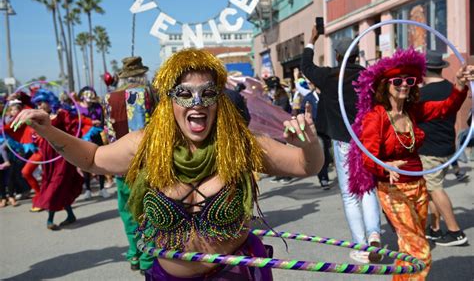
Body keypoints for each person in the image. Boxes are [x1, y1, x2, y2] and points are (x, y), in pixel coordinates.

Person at [13, 48, 324, 280]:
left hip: (236, 274)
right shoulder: (146, 144)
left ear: (219, 100)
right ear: (169, 101)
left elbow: (304, 165)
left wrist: (309, 143)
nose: (197, 103)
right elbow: (93, 159)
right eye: (185, 94)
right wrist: (48, 129)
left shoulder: (239, 144)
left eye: (208, 94)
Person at [348, 48, 472, 280]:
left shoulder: (413, 110)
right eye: (397, 80)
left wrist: (459, 84)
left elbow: (447, 108)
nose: (404, 84)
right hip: (393, 190)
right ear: (385, 85)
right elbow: (368, 157)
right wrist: (386, 166)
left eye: (409, 80)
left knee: (408, 245)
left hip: (419, 186)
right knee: (418, 248)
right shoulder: (376, 117)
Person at [301, 26, 382, 263]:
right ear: (356, 55)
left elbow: (306, 67)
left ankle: (362, 245)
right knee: (367, 188)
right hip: (366, 140)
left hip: (343, 141)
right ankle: (374, 233)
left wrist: (311, 41)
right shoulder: (368, 76)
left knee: (350, 195)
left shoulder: (329, 77)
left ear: (338, 56)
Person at [103, 56, 156, 274]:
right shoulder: (148, 94)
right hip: (146, 162)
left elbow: (107, 133)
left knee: (127, 210)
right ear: (142, 74)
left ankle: (134, 252)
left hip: (120, 163)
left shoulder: (109, 97)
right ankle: (147, 258)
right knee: (149, 211)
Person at [417, 50, 468, 246]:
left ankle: (455, 231)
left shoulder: (421, 95)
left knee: (434, 188)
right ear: (440, 69)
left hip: (430, 150)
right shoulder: (452, 88)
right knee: (431, 188)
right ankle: (435, 228)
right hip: (447, 147)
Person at [29, 89, 84, 230]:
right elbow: (34, 136)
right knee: (58, 185)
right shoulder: (39, 119)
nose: (40, 106)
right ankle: (70, 215)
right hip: (49, 157)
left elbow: (73, 129)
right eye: (38, 103)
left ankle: (50, 219)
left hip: (62, 155)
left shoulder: (61, 114)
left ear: (49, 102)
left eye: (42, 102)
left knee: (57, 184)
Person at [77, 86, 110, 199]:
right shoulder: (77, 108)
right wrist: (90, 122)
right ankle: (88, 190)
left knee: (99, 163)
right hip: (83, 139)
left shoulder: (97, 107)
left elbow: (102, 121)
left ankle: (102, 188)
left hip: (96, 138)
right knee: (84, 164)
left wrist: (98, 123)